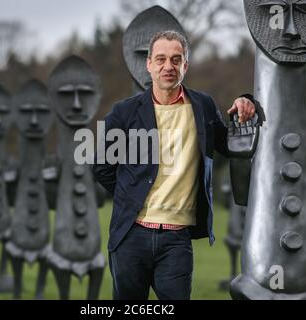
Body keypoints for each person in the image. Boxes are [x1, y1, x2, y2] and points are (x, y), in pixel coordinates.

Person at [93, 30, 256, 300]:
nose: (168, 66)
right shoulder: (124, 112)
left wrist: (245, 105)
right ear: (149, 64)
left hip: (177, 241)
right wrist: (131, 194)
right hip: (130, 236)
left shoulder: (202, 106)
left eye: (175, 59)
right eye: (160, 59)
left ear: (185, 65)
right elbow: (101, 165)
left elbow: (230, 146)